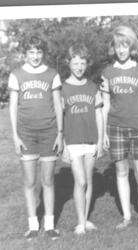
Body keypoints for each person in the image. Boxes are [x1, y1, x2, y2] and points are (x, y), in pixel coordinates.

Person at [8, 34, 63, 240]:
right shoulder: (16, 75)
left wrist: (60, 133)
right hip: (26, 134)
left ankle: (49, 225)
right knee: (29, 181)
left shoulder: (52, 74)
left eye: (39, 51)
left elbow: (58, 105)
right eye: (31, 52)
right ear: (25, 53)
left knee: (48, 180)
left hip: (49, 132)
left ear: (43, 53)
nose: (35, 56)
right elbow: (13, 107)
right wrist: (15, 136)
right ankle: (33, 225)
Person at [101, 25, 138, 229]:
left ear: (131, 46)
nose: (121, 50)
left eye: (125, 45)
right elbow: (105, 105)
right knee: (121, 172)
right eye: (117, 46)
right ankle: (126, 216)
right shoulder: (108, 72)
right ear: (113, 48)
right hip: (115, 127)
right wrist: (105, 132)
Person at [61, 43, 103, 235]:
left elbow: (99, 115)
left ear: (87, 64)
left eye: (82, 63)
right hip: (73, 141)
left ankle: (85, 220)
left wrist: (101, 141)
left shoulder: (93, 87)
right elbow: (59, 118)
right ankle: (80, 223)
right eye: (75, 63)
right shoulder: (62, 88)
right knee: (80, 182)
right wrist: (62, 145)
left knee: (88, 180)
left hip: (91, 140)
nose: (79, 67)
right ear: (68, 63)